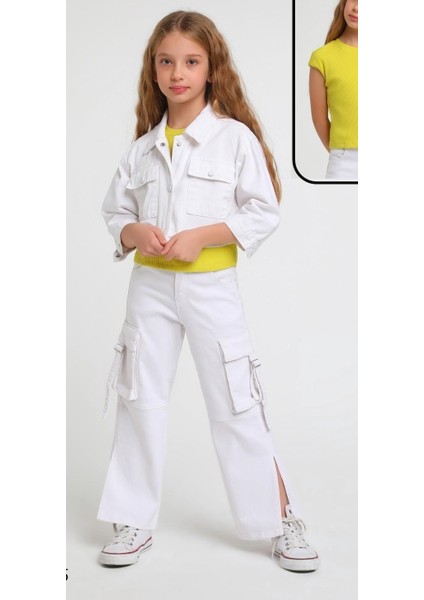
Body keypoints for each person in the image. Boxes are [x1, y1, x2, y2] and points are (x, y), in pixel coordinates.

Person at [97, 10, 319, 573]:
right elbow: (115, 211)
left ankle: (280, 520)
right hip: (148, 289)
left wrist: (202, 236)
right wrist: (132, 232)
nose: (178, 73)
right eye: (166, 61)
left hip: (211, 290)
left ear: (211, 68)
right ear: (153, 69)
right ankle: (132, 519)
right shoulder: (142, 148)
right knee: (139, 399)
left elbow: (263, 211)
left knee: (237, 401)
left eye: (191, 61)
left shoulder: (233, 139)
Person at [308, 0, 358, 180]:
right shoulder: (323, 57)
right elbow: (319, 119)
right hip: (345, 162)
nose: (356, 8)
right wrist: (340, 150)